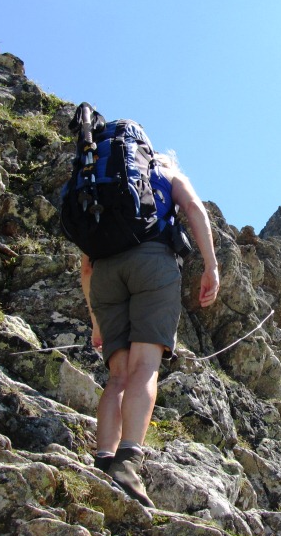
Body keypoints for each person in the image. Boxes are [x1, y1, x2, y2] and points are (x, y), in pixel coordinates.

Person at [79, 151, 220, 508]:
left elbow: (86, 266)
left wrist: (96, 321)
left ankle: (103, 459)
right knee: (144, 367)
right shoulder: (167, 175)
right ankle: (127, 463)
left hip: (105, 271)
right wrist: (211, 266)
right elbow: (194, 209)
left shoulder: (105, 181)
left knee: (118, 376)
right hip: (153, 263)